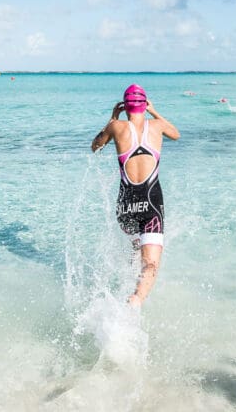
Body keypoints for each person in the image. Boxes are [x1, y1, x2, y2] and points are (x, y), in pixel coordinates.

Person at [91, 84, 180, 307]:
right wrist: (155, 111)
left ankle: (128, 278)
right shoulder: (157, 126)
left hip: (126, 206)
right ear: (144, 105)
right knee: (150, 263)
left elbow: (95, 146)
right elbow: (176, 134)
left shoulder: (116, 127)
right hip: (152, 204)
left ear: (125, 106)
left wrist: (113, 118)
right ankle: (136, 298)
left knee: (135, 244)